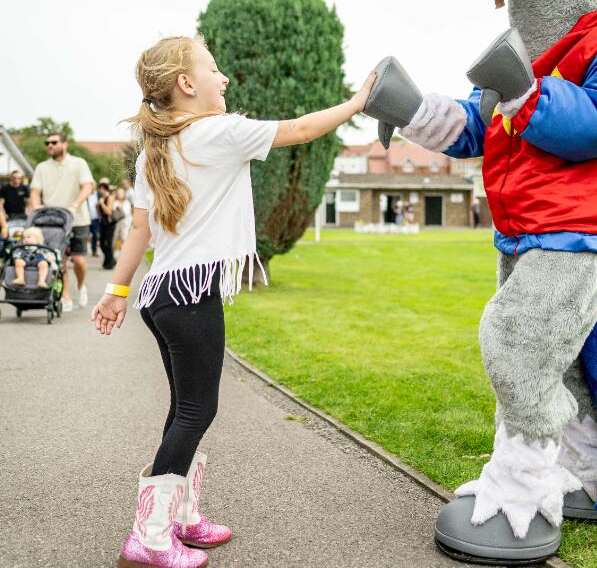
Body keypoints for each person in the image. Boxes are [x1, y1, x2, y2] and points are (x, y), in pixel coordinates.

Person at [90, 35, 375, 568]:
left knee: (187, 410)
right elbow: (302, 129)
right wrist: (358, 102)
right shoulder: (217, 131)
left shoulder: (157, 149)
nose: (224, 79)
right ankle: (149, 537)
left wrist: (117, 292)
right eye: (214, 69)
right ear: (186, 84)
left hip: (163, 295)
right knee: (197, 411)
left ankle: (182, 518)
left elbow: (140, 230)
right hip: (190, 293)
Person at [29, 134, 94, 311]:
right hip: (52, 222)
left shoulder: (79, 163)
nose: (49, 145)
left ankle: (81, 286)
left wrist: (74, 205)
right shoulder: (42, 167)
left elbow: (88, 186)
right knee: (60, 260)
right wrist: (36, 209)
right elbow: (35, 191)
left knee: (78, 260)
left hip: (77, 218)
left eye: (54, 142)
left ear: (64, 144)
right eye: (47, 143)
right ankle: (65, 296)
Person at [96, 183, 118, 270]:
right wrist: (97, 205)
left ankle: (109, 263)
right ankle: (111, 260)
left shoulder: (110, 198)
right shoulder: (102, 198)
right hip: (103, 223)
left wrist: (101, 204)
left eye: (101, 189)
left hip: (110, 224)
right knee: (101, 243)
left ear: (105, 189)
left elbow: (108, 212)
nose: (100, 191)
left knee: (108, 244)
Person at [112, 186, 133, 251]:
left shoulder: (127, 202)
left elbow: (126, 213)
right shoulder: (114, 202)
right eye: (118, 193)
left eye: (121, 193)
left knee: (124, 239)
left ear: (124, 194)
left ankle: (123, 254)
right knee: (114, 240)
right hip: (116, 223)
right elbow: (113, 212)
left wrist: (119, 208)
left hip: (125, 224)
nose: (119, 194)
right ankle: (113, 257)